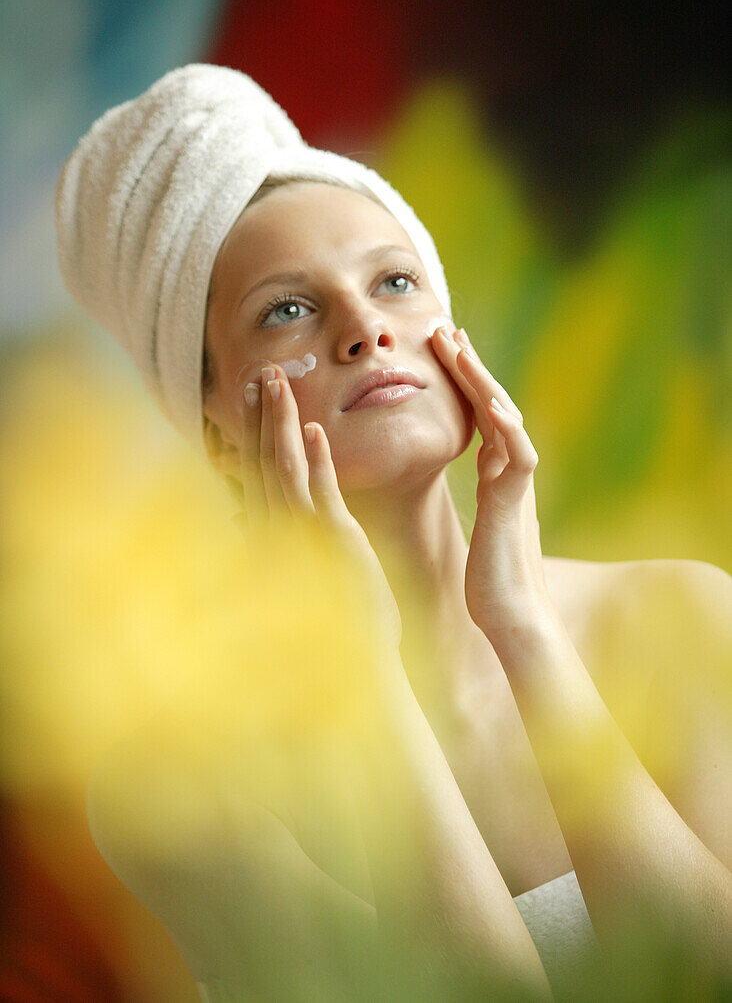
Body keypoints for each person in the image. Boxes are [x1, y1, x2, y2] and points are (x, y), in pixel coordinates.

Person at [56, 66, 731, 1001]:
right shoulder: (176, 793)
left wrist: (524, 628)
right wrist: (365, 673)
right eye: (288, 309)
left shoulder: (682, 616)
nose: (367, 328)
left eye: (396, 281)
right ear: (214, 429)